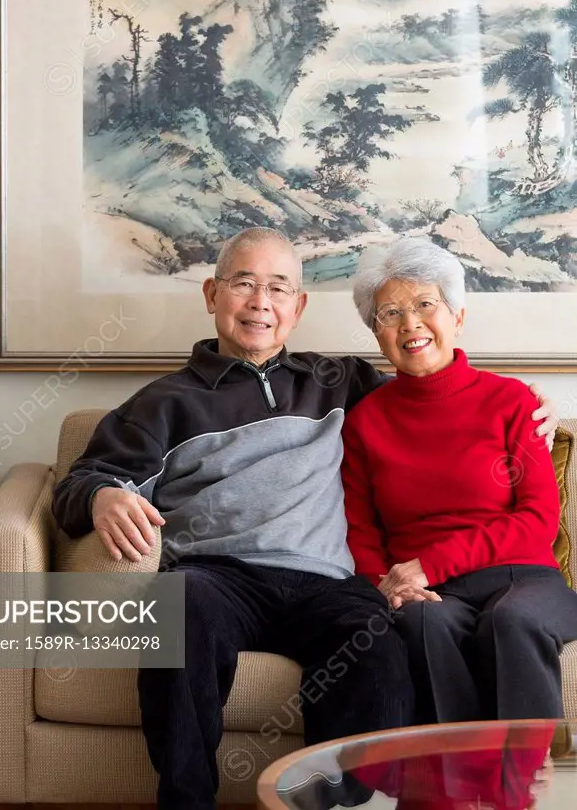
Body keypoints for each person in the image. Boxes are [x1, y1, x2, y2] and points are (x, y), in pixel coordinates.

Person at [52, 227, 556, 809]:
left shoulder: (342, 382)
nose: (261, 302)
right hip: (220, 577)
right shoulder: (163, 404)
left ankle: (331, 803)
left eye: (278, 288)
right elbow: (79, 481)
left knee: (379, 651)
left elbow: (432, 388)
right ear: (213, 294)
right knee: (180, 608)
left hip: (330, 585)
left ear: (299, 306)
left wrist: (530, 403)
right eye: (244, 284)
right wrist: (101, 497)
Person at [341, 235, 577, 725]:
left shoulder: (512, 402)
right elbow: (360, 532)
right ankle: (450, 790)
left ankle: (518, 788)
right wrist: (386, 586)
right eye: (389, 313)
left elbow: (537, 520)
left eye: (426, 304)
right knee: (421, 621)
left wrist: (430, 563)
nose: (410, 324)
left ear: (457, 317)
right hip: (429, 593)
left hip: (523, 577)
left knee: (510, 620)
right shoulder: (365, 422)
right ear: (377, 333)